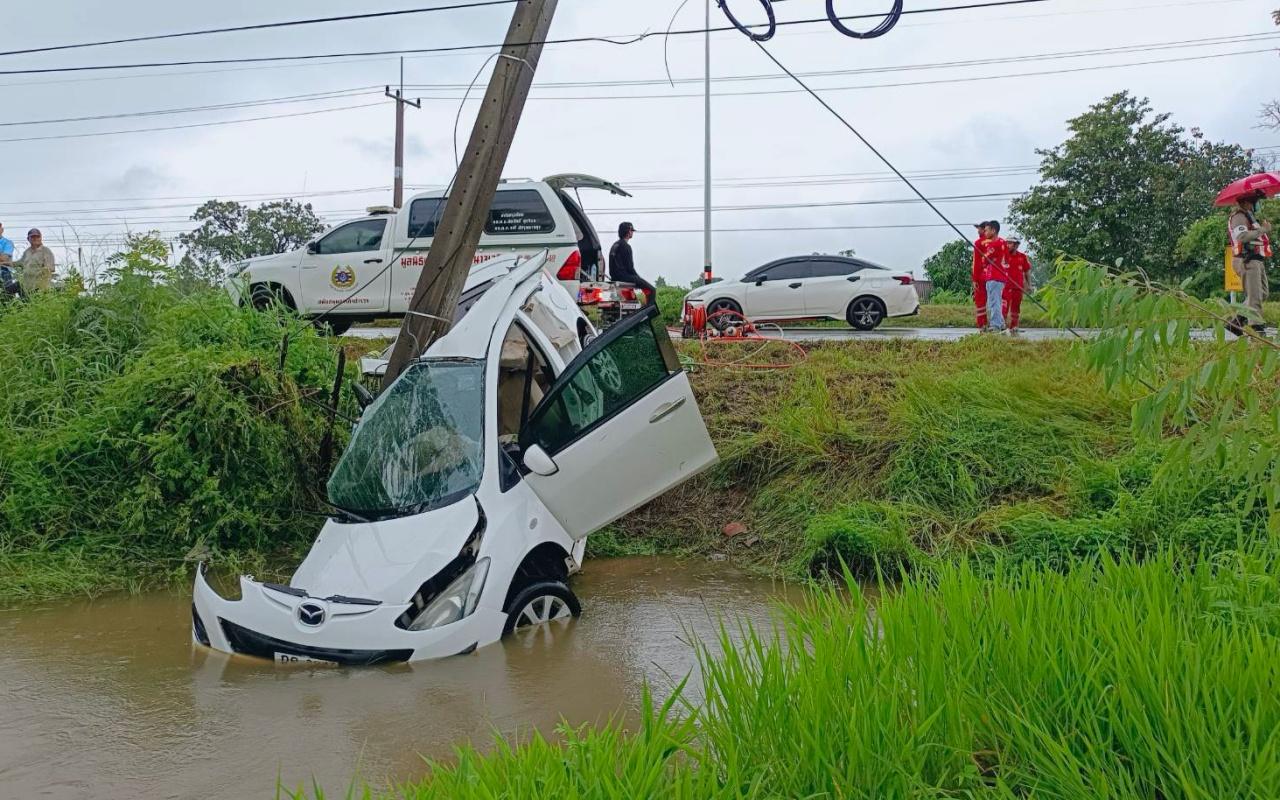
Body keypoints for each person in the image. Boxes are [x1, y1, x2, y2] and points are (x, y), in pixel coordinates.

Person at [1228, 191, 1272, 333]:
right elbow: (1242, 236)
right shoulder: (1239, 217)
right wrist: (1263, 230)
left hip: (1256, 259)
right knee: (1255, 297)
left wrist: (1263, 229)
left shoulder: (1250, 217)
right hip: (1247, 259)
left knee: (1262, 293)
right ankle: (1256, 328)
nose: (1256, 205)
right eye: (1255, 202)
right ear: (1246, 202)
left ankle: (1237, 321)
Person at [972, 220, 1009, 332]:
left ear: (993, 230)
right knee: (995, 300)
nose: (984, 232)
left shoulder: (994, 244)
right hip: (998, 277)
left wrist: (982, 256)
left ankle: (995, 325)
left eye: (986, 230)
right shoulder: (1002, 242)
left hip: (994, 276)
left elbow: (984, 260)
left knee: (994, 302)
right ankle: (1001, 323)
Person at [608, 221, 656, 307]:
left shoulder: (615, 245)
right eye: (631, 230)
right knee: (652, 290)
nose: (632, 232)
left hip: (614, 277)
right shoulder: (626, 247)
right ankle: (647, 312)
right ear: (628, 231)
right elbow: (630, 268)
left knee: (640, 283)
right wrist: (638, 279)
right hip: (624, 276)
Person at [1002, 235, 1032, 333]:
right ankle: (1002, 326)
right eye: (1007, 243)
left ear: (1016, 245)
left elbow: (1027, 272)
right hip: (1005, 287)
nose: (1007, 245)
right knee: (1003, 308)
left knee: (1015, 308)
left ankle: (1014, 327)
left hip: (1018, 287)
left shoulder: (1022, 257)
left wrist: (1029, 285)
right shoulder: (1002, 256)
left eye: (1010, 243)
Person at [14, 228, 55, 294]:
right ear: (28, 239)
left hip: (39, 287)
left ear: (41, 238)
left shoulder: (46, 251)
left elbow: (50, 268)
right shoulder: (27, 251)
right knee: (8, 289)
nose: (35, 238)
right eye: (33, 237)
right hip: (26, 285)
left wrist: (35, 272)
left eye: (37, 236)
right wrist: (3, 263)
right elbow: (19, 263)